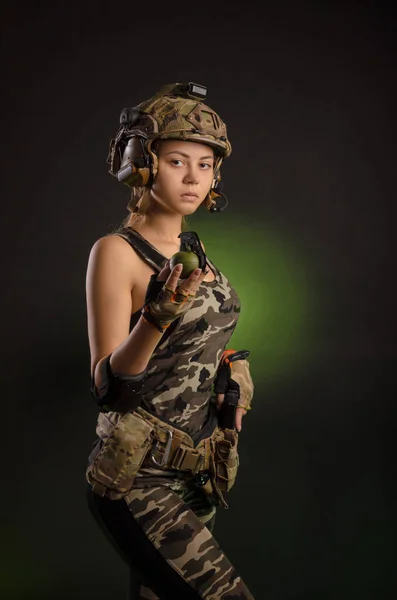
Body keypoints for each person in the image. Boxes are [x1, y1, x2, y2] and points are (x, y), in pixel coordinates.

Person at [85, 82, 255, 600]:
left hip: (192, 478)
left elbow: (192, 352)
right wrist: (156, 318)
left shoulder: (192, 250)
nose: (193, 177)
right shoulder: (116, 252)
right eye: (177, 160)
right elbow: (110, 388)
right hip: (136, 482)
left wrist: (231, 384)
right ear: (141, 163)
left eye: (205, 165)